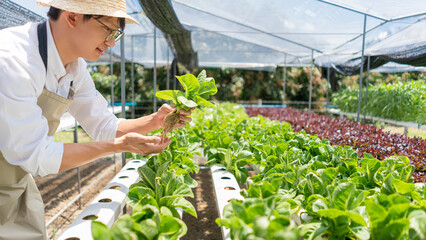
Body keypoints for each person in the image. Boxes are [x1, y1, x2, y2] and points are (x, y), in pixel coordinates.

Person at [0, 0, 192, 239]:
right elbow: (37, 155)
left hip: (13, 183)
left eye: (116, 34)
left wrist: (155, 121)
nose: (111, 42)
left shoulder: (74, 68)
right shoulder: (13, 61)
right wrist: (119, 146)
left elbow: (104, 126)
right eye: (108, 29)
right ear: (72, 17)